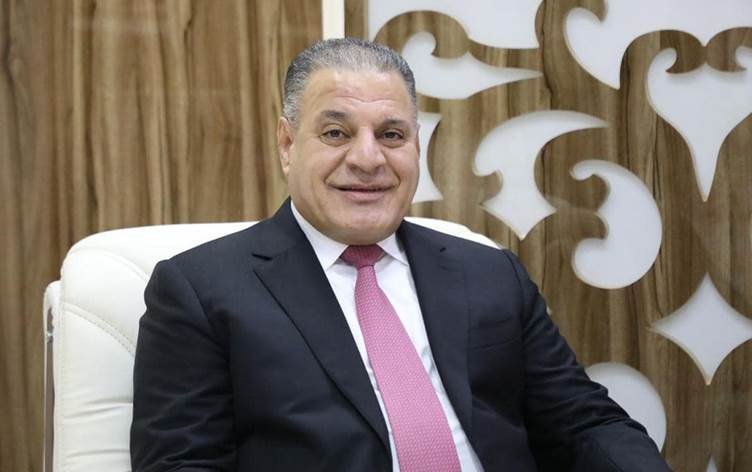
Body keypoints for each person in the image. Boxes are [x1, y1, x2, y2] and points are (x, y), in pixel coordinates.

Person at [131, 38, 670, 471]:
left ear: (416, 146)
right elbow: (181, 463)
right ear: (288, 144)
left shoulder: (489, 271)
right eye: (336, 132)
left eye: (391, 134)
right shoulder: (199, 290)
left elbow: (585, 424)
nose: (368, 159)